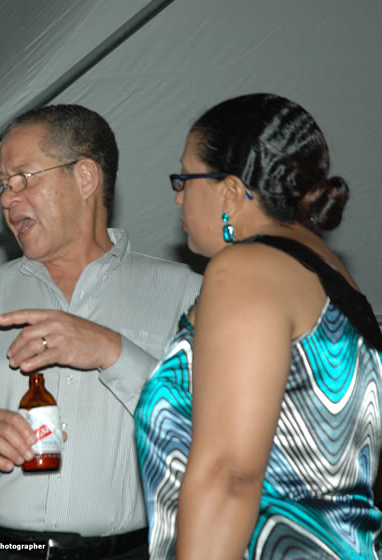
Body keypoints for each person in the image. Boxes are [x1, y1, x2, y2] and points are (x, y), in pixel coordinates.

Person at [0, 104, 202, 559]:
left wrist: (114, 351)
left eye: (24, 178)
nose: (8, 199)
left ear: (85, 178)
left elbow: (220, 435)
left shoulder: (187, 295)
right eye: (3, 185)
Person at [135, 93, 382, 559]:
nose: (178, 195)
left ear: (229, 191)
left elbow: (229, 475)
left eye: (185, 178)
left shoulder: (246, 269)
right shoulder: (332, 279)